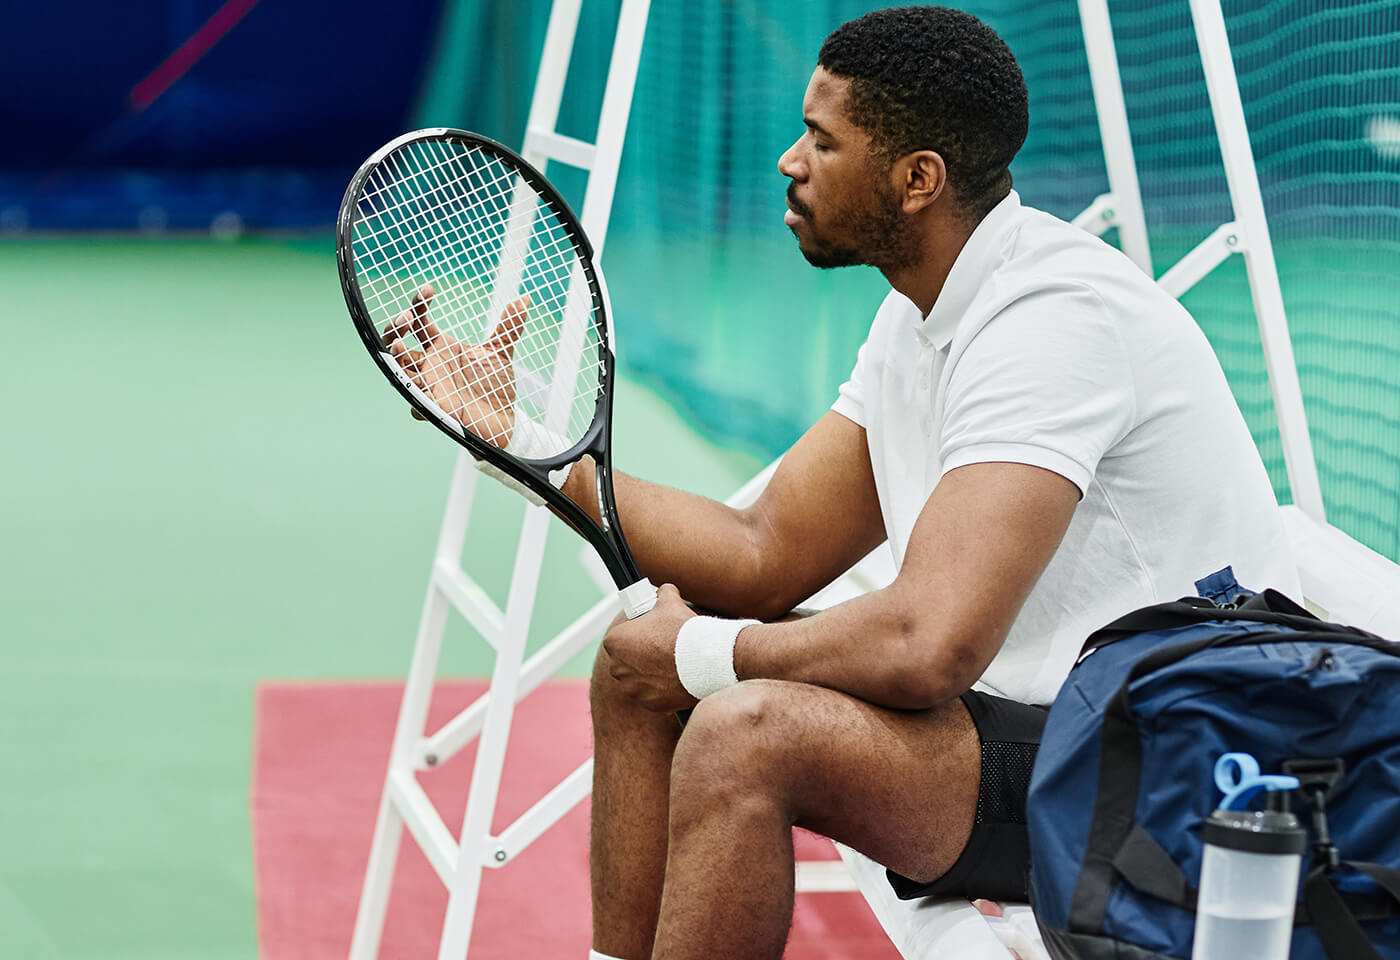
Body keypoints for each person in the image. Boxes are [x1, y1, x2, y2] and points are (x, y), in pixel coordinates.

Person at [383, 7, 1302, 959]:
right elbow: (763, 551)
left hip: (1173, 770)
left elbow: (926, 644)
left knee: (745, 734)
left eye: (823, 139)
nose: (790, 159)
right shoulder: (924, 315)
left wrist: (702, 651)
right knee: (633, 669)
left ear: (918, 180)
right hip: (1046, 734)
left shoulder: (1051, 327)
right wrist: (529, 439)